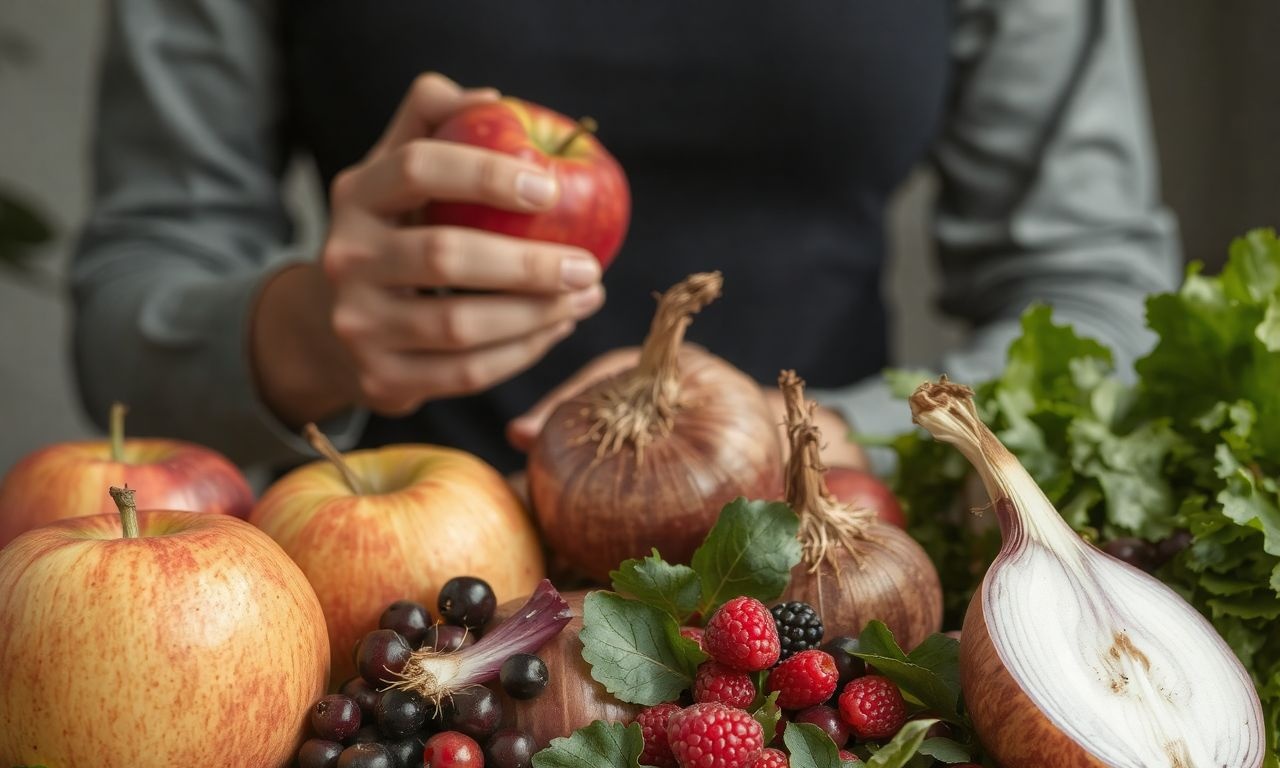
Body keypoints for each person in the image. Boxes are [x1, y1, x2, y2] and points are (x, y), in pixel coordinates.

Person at [71, 0, 1179, 480]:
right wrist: (309, 336)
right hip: (383, 642)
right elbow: (129, 307)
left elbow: (1098, 302)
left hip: (825, 612)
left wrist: (819, 442)